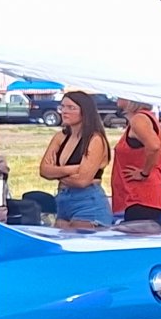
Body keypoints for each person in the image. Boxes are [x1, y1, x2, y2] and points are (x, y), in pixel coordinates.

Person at [39, 91, 113, 227]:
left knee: (80, 242)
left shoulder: (95, 139)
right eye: (63, 107)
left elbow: (82, 181)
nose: (64, 112)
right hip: (63, 199)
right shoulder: (60, 137)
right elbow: (44, 170)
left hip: (87, 201)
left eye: (71, 108)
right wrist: (73, 169)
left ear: (84, 111)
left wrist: (56, 173)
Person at [112, 97, 161, 223]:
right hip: (141, 197)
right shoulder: (145, 118)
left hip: (142, 197)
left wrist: (144, 172)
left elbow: (154, 146)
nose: (117, 96)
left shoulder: (139, 119)